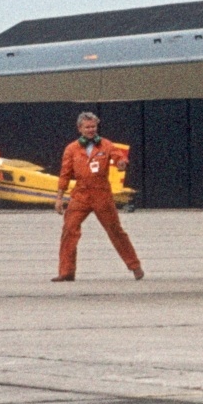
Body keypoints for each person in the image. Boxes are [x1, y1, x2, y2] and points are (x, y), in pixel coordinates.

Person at [53, 111, 142, 282]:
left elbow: (118, 157)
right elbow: (64, 174)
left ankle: (134, 266)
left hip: (102, 194)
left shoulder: (106, 144)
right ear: (80, 128)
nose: (91, 130)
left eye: (93, 126)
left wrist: (122, 163)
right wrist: (59, 198)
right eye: (87, 127)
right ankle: (66, 272)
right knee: (69, 230)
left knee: (115, 230)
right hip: (80, 195)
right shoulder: (71, 149)